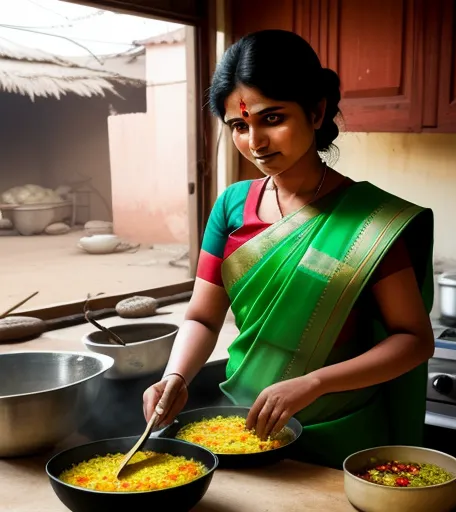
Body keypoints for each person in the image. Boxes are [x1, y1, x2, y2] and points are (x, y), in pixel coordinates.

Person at [143, 29, 435, 468]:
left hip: (340, 435)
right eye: (239, 126)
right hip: (241, 429)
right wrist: (175, 376)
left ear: (316, 112)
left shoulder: (370, 221)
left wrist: (314, 383)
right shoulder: (231, 208)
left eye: (272, 119)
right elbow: (203, 317)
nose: (255, 142)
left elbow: (413, 340)